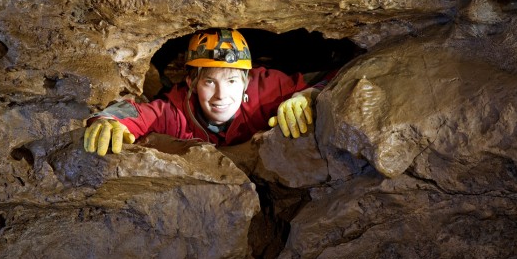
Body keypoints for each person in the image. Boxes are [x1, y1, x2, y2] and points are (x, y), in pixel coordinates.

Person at [84, 28, 336, 156]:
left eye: (232, 81)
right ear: (191, 81)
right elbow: (137, 113)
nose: (221, 96)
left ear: (246, 80)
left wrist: (309, 95)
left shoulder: (268, 88)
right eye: (209, 82)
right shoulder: (176, 111)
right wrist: (108, 120)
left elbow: (333, 75)